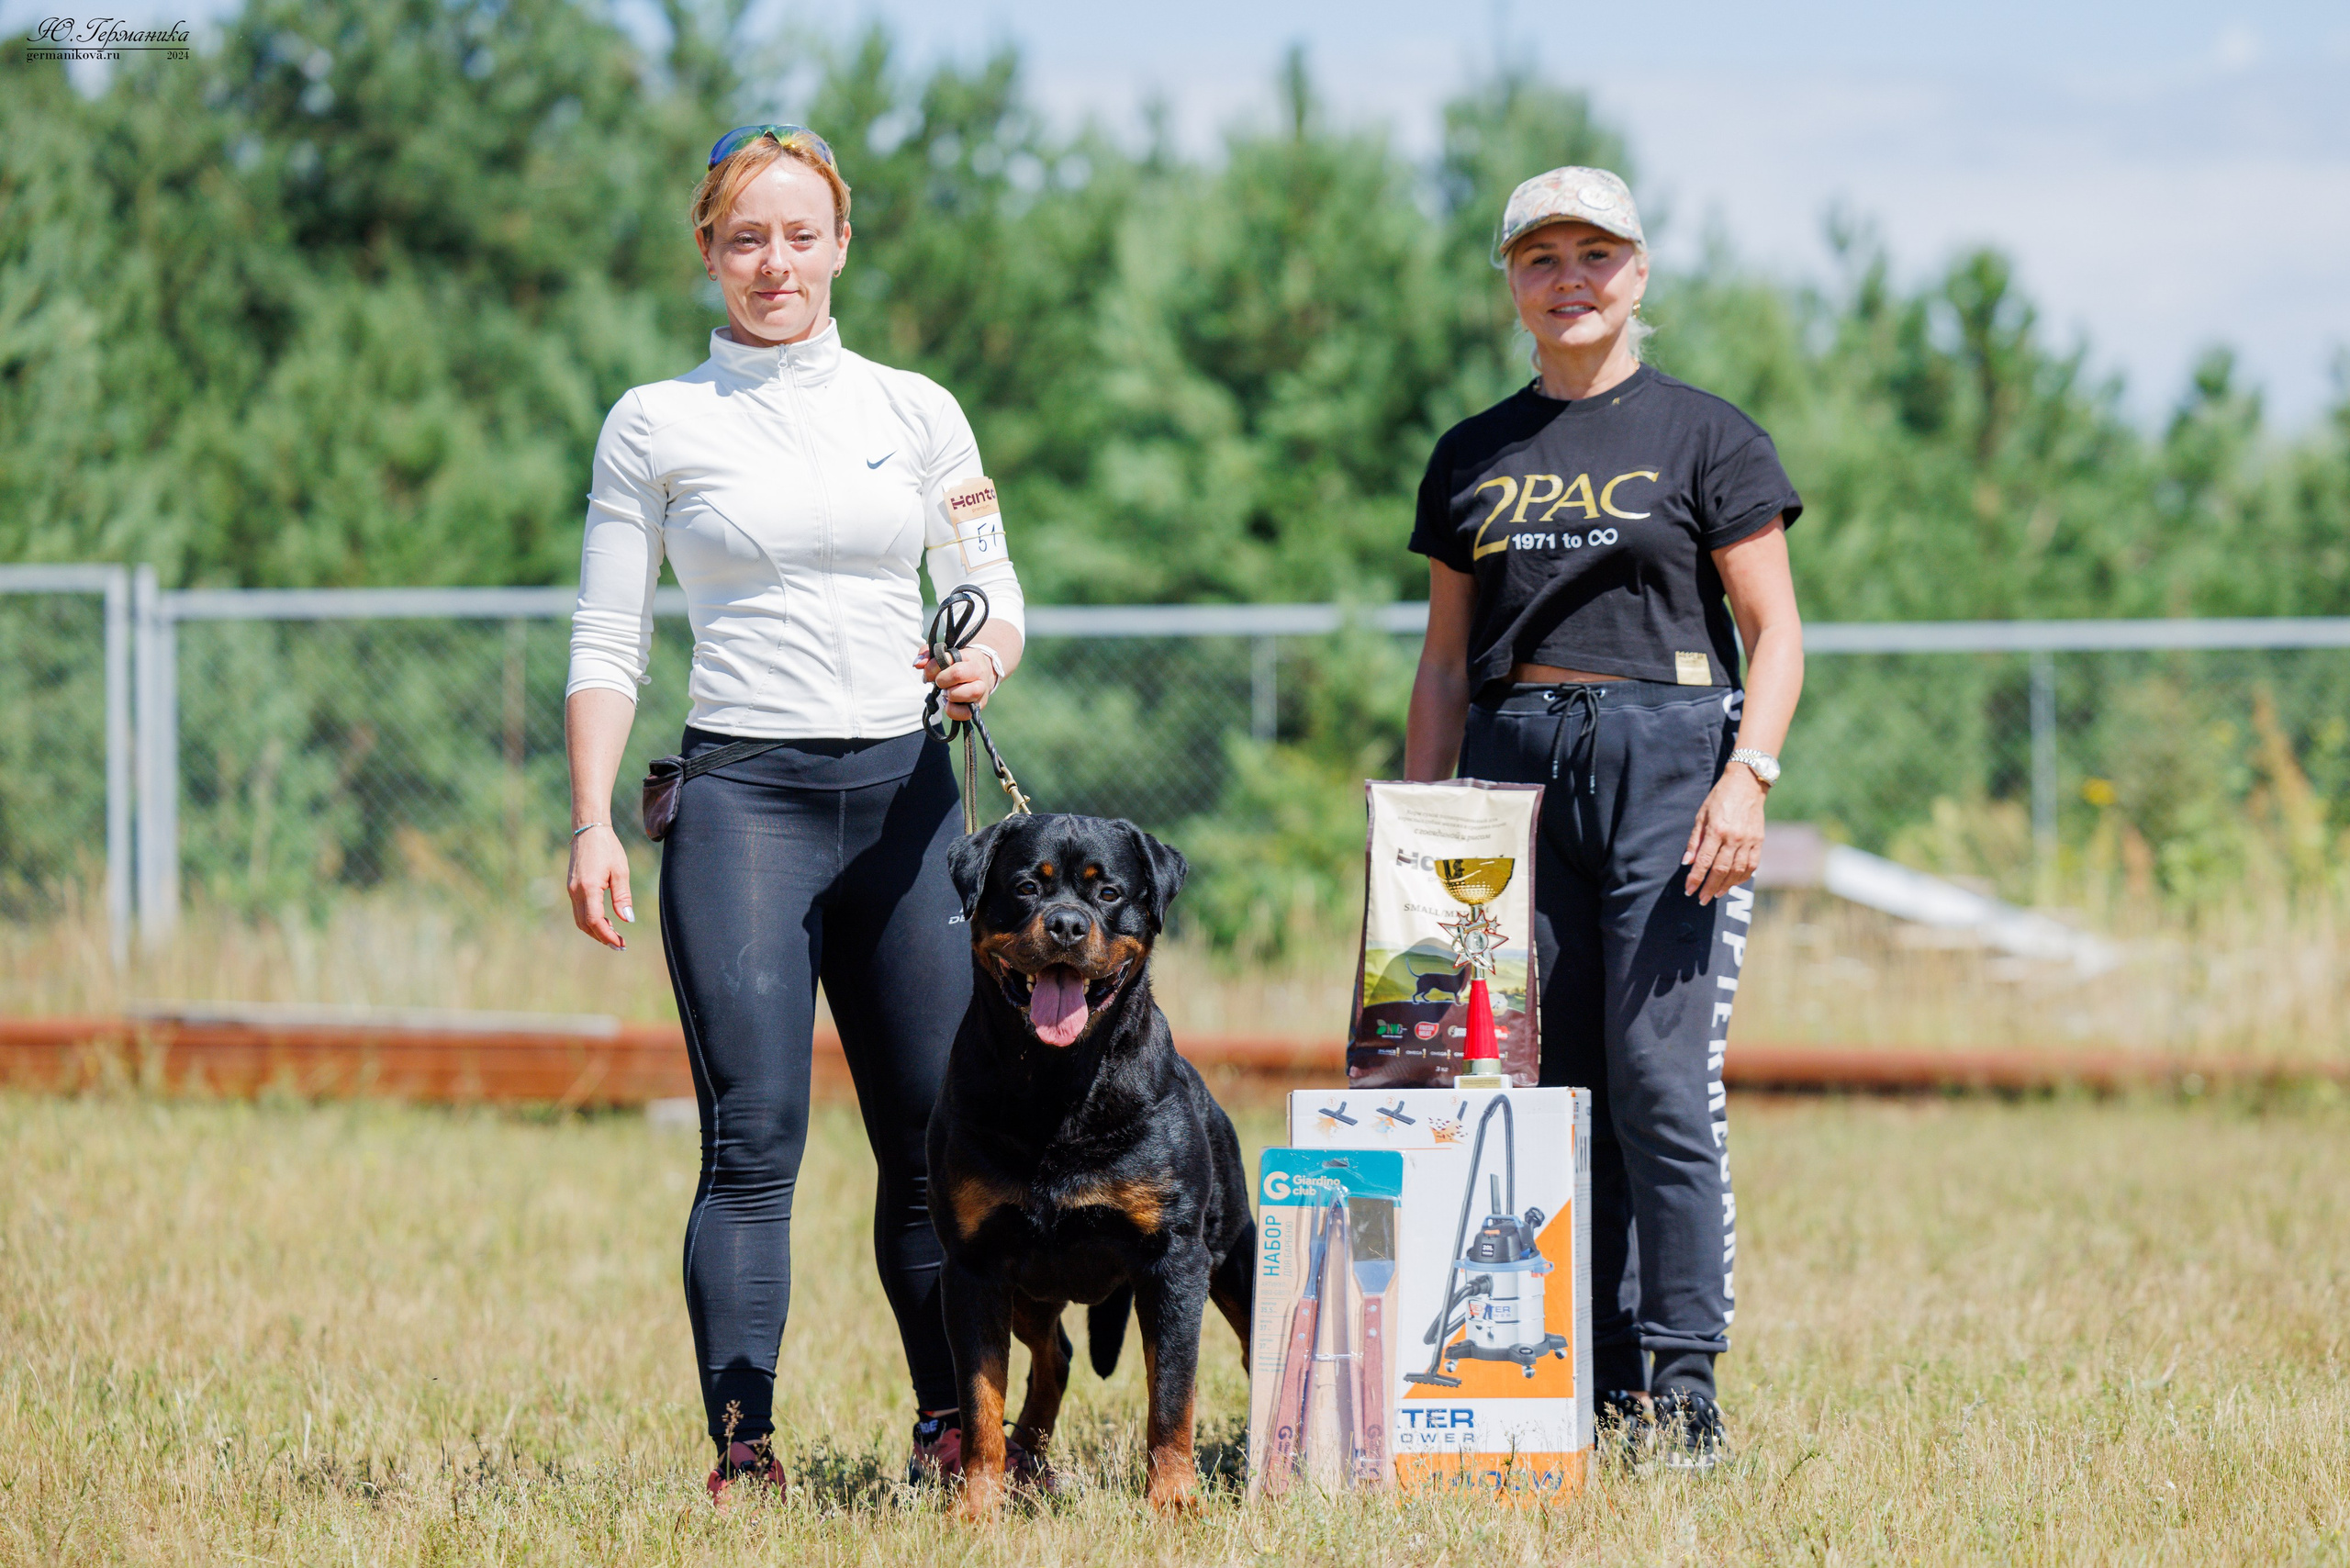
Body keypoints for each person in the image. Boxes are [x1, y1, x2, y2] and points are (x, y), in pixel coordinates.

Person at [562, 125, 1024, 1502]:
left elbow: (993, 582)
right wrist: (591, 818)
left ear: (839, 245)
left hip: (904, 803)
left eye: (800, 234)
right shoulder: (657, 421)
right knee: (754, 1139)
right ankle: (743, 1453)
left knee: (935, 1137)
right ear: (709, 250)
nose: (776, 262)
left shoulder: (915, 407)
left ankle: (955, 1429)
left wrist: (985, 653)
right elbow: (604, 632)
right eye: (746, 237)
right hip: (741, 806)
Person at [1402, 166, 1805, 1469]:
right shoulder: (1473, 451)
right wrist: (1418, 821)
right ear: (1512, 281)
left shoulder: (1706, 435)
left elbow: (1777, 631)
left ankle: (1682, 1386)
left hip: (1671, 757)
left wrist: (1749, 774)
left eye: (1596, 255)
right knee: (1545, 1089)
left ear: (1638, 272)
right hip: (1513, 763)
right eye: (1542, 258)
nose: (1570, 279)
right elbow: (1447, 663)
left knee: (1656, 1082)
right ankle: (1583, 1375)